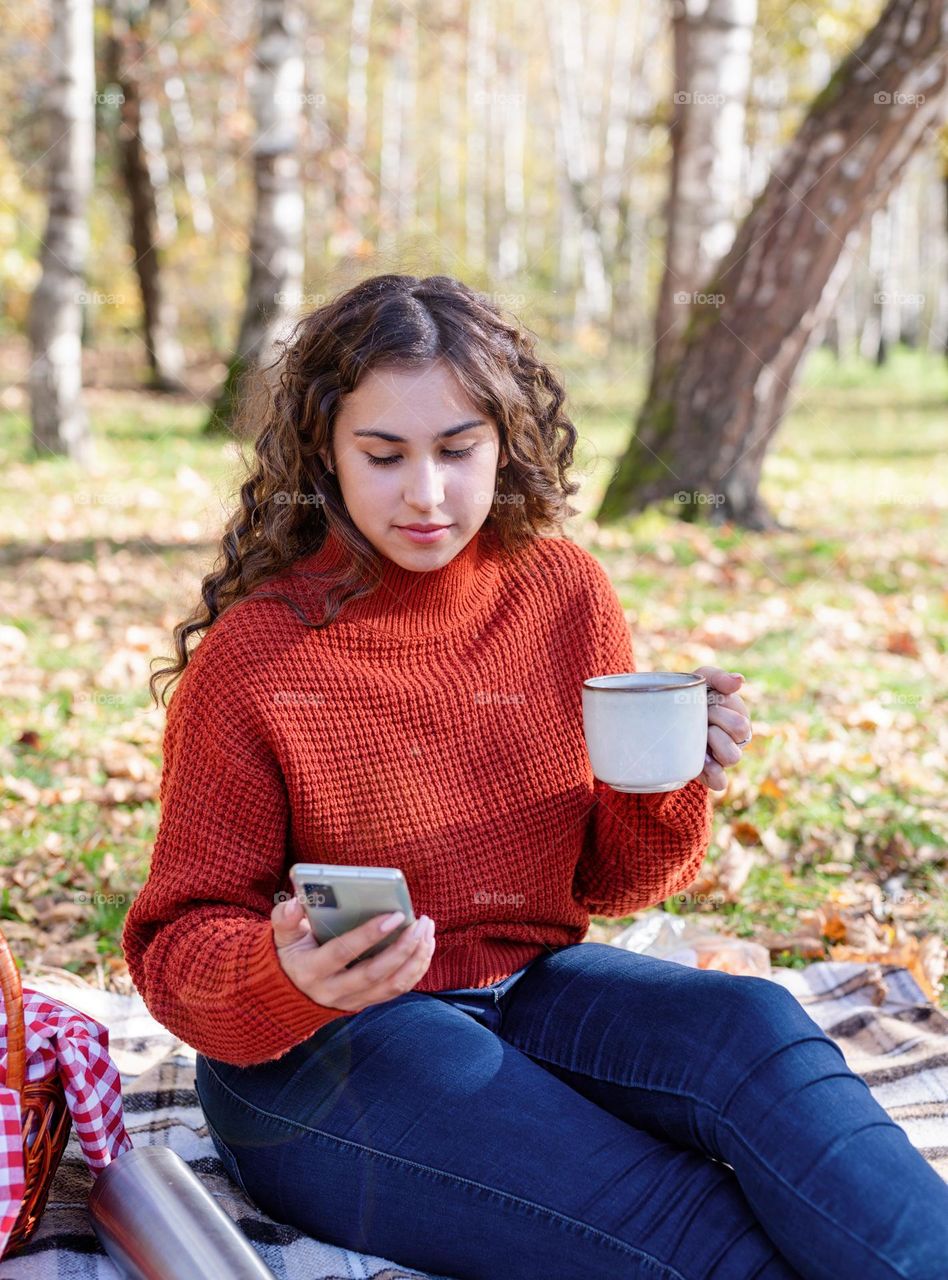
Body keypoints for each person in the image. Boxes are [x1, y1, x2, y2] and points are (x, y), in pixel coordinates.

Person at [122, 274, 948, 1280]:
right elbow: (177, 941)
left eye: (458, 449)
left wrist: (665, 774)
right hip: (320, 1053)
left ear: (505, 440)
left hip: (534, 986)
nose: (427, 494)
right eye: (384, 455)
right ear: (325, 456)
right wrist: (282, 972)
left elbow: (615, 885)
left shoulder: (562, 592)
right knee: (687, 1213)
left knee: (753, 1025)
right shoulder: (260, 657)